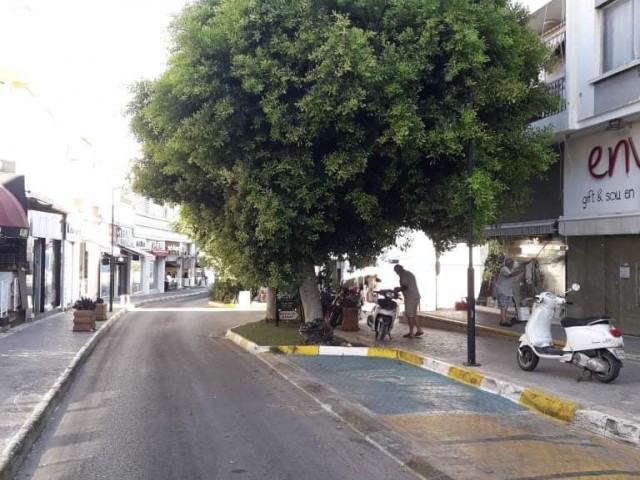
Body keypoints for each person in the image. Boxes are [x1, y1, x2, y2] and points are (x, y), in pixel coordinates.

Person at [495, 257, 530, 327]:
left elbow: (515, 270)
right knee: (504, 307)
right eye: (511, 263)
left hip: (505, 291)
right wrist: (521, 271)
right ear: (508, 264)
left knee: (504, 306)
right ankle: (503, 322)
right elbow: (511, 274)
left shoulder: (508, 269)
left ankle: (503, 320)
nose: (512, 264)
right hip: (503, 291)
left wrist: (528, 262)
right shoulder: (504, 269)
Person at [393, 265, 423, 338]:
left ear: (399, 270)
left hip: (411, 297)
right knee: (413, 315)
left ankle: (411, 333)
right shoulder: (408, 273)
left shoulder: (404, 275)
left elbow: (405, 286)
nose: (396, 273)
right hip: (415, 296)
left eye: (396, 271)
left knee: (410, 315)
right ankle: (419, 330)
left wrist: (398, 289)